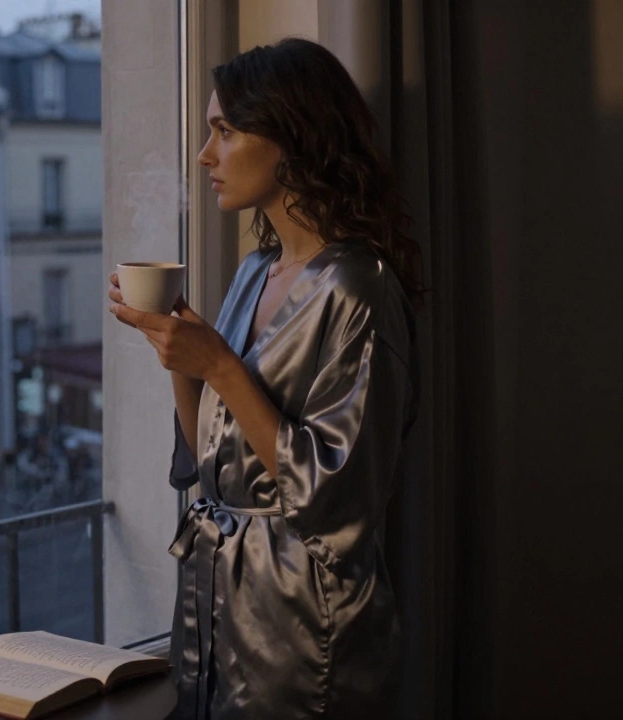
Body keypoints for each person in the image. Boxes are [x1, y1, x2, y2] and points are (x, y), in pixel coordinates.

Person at [109, 38, 424, 719]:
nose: (205, 155)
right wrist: (178, 356)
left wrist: (220, 364)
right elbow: (208, 459)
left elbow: (340, 499)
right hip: (219, 610)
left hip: (306, 626)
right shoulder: (257, 270)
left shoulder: (358, 293)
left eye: (225, 131)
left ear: (290, 139)